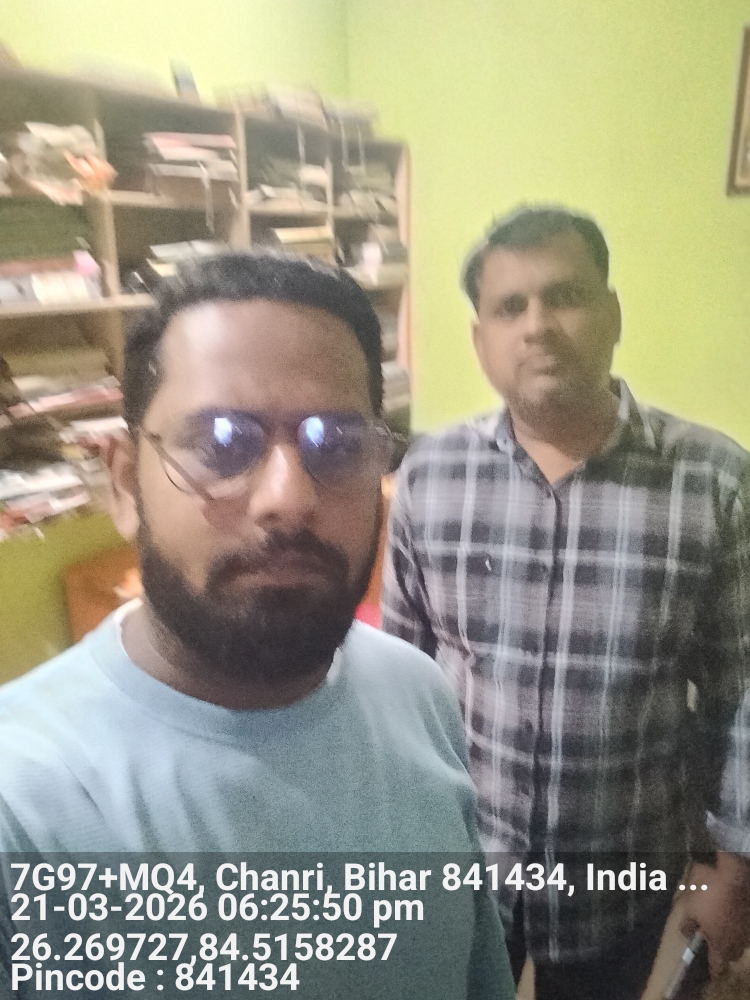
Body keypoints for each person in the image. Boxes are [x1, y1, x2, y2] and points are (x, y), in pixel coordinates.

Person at [0, 251, 514, 1000]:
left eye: (337, 445)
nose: (288, 499)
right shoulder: (23, 803)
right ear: (124, 482)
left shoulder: (417, 692)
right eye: (222, 443)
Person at [381, 206, 750, 999]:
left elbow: (740, 693)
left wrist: (734, 867)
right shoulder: (428, 477)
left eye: (566, 296)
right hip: (465, 863)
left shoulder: (714, 482)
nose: (538, 326)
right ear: (480, 340)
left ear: (612, 315)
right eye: (509, 307)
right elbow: (399, 676)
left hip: (622, 885)